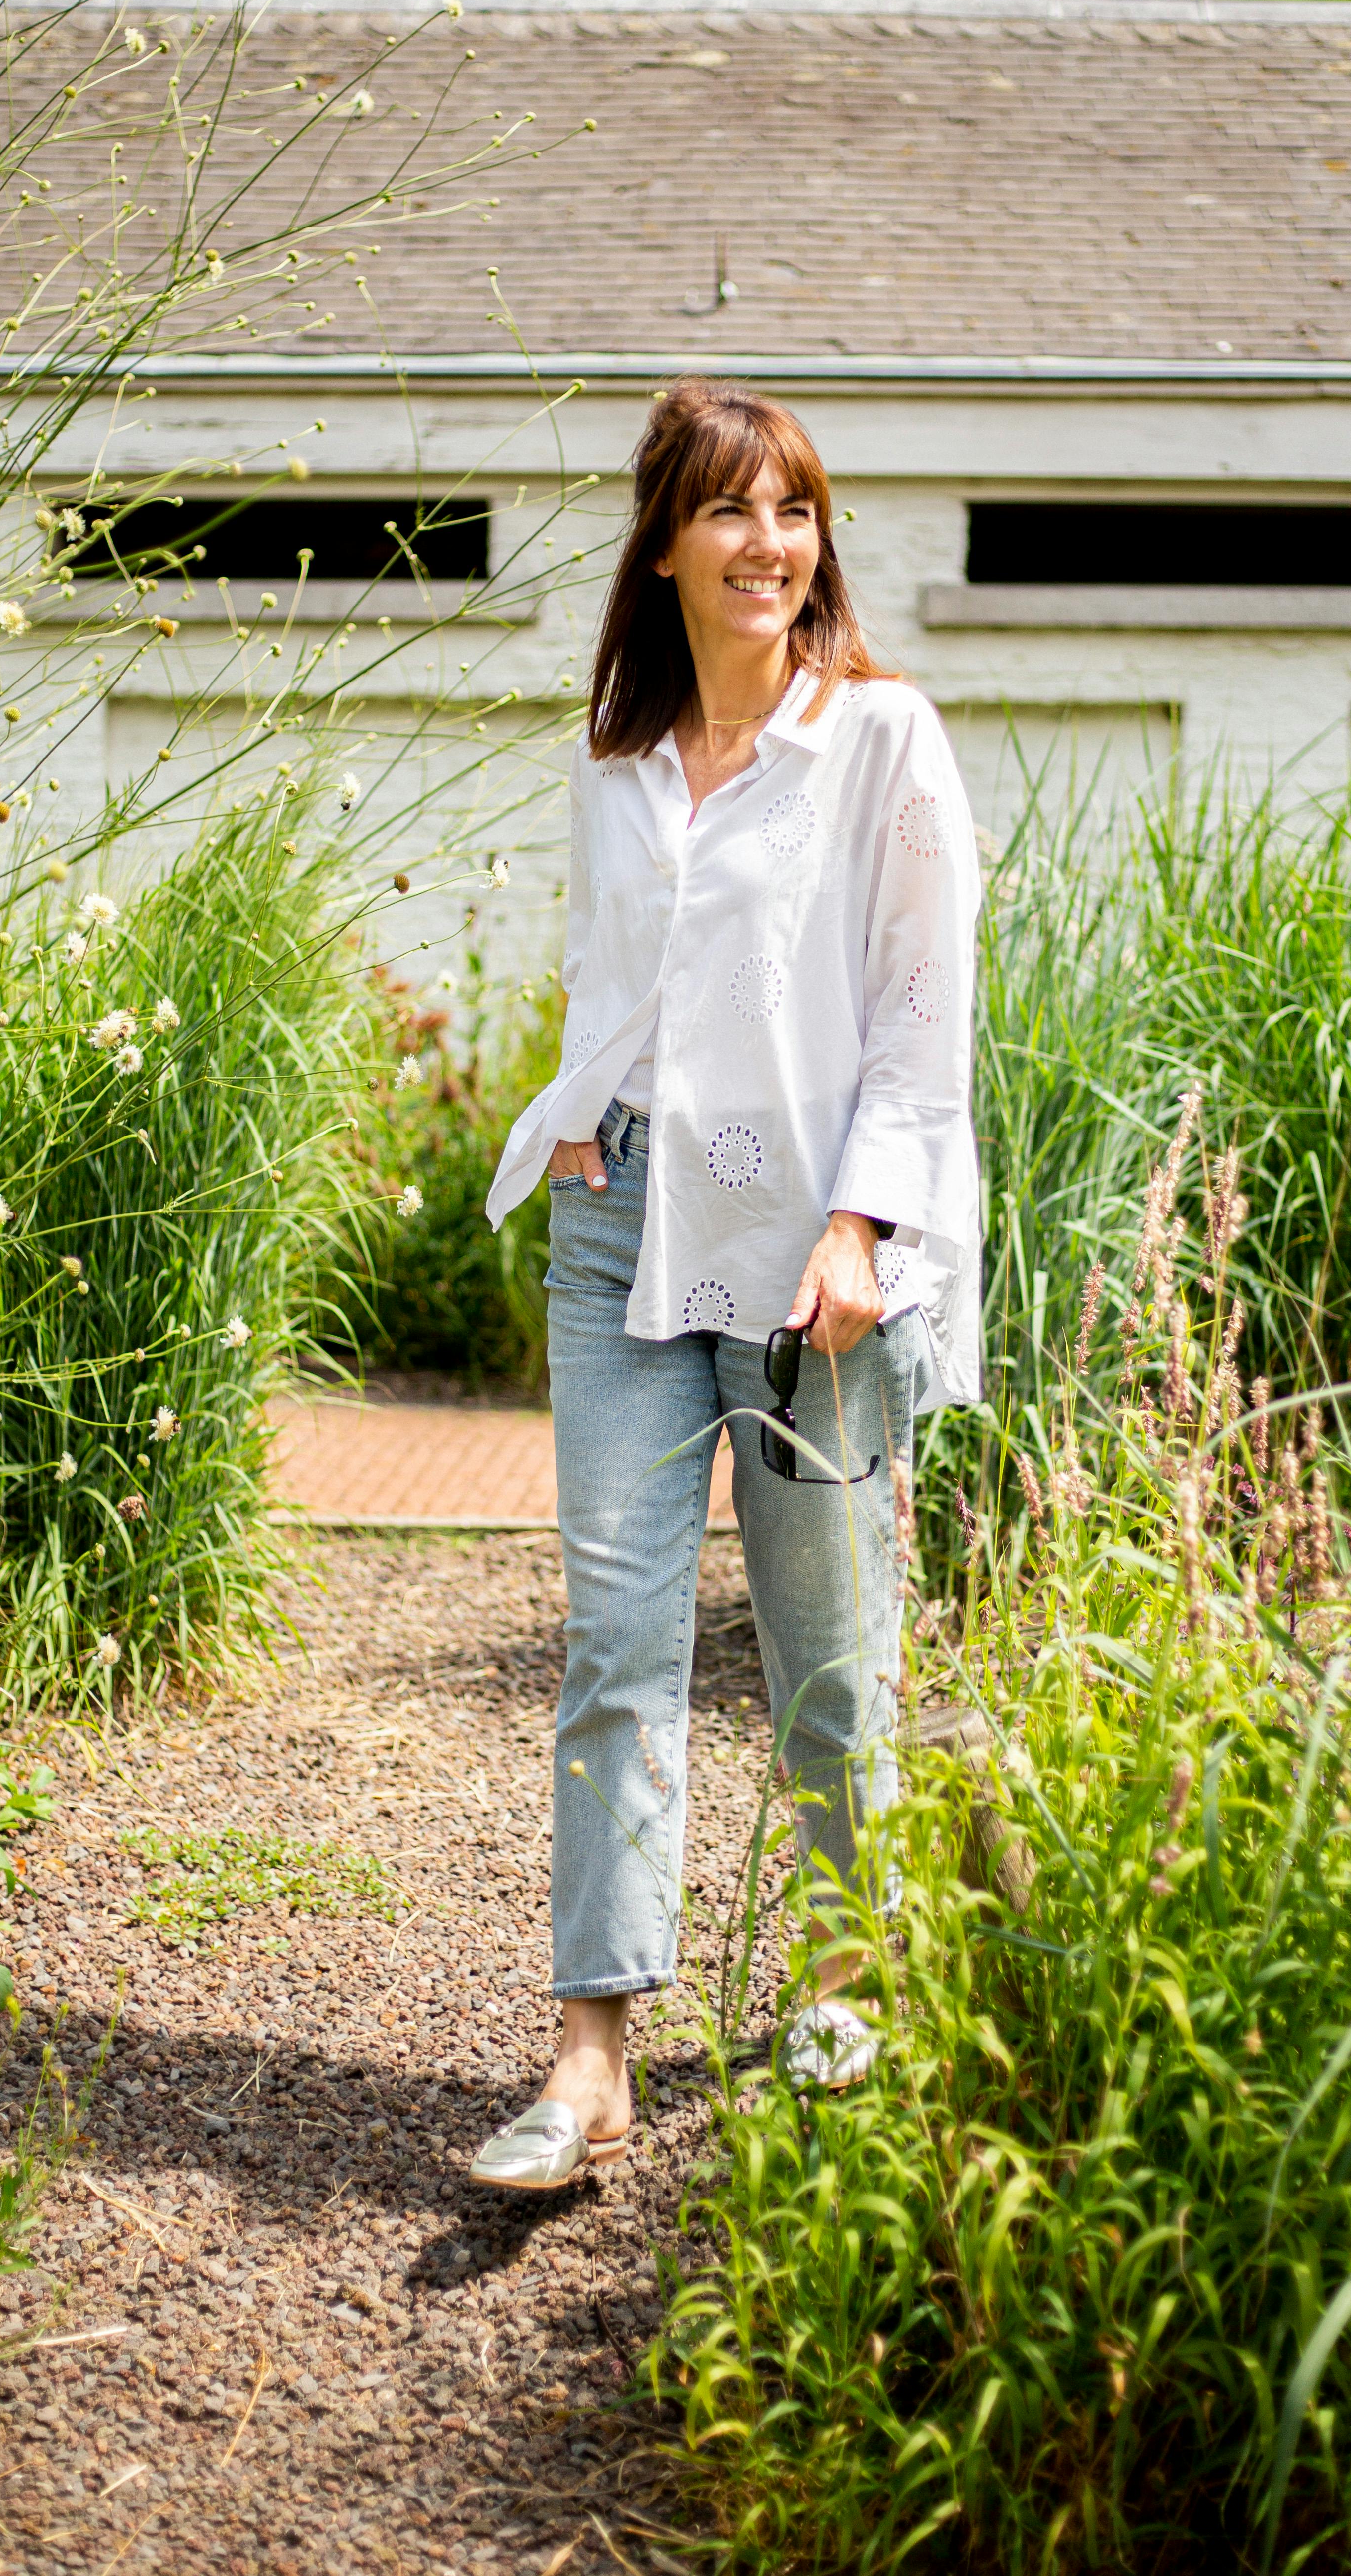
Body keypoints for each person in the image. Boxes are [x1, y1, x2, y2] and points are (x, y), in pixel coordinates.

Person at [473, 377, 981, 2192]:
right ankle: (591, 2054)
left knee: (829, 1656)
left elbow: (925, 1022)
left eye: (796, 512)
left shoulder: (884, 743)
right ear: (667, 543)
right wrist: (581, 1110)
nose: (770, 546)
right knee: (615, 1646)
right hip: (621, 1237)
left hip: (807, 1265)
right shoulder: (618, 758)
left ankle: (845, 1975)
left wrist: (868, 1225)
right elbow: (618, 977)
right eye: (731, 513)